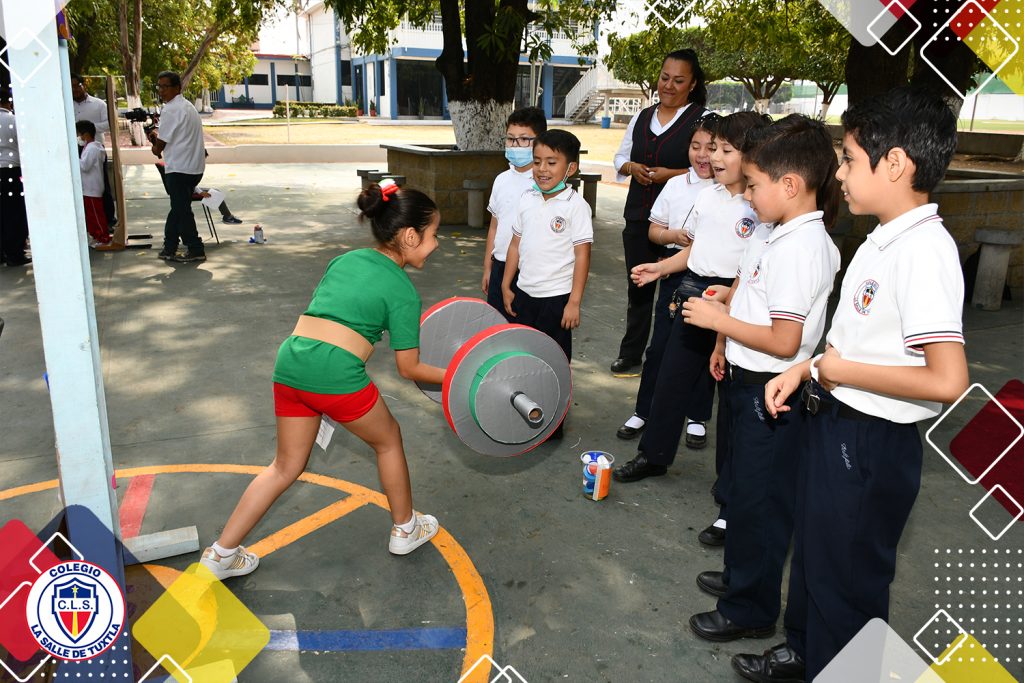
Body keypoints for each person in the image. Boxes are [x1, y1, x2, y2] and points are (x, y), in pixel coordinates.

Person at [733, 87, 969, 682]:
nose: (838, 173)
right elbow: (858, 340)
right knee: (815, 558)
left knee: (848, 582)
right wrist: (808, 369)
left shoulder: (923, 251)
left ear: (896, 165)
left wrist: (836, 371)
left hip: (872, 441)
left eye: (849, 159)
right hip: (835, 421)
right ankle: (803, 652)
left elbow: (948, 379)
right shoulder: (882, 236)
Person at [200, 180, 447, 579]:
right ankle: (405, 528)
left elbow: (328, 315)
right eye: (434, 235)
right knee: (388, 441)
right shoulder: (403, 290)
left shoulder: (344, 260)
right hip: (334, 374)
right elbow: (410, 369)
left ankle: (221, 554)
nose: (436, 245)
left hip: (292, 363)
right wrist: (462, 376)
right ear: (409, 235)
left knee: (283, 466)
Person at [679, 115, 841, 648]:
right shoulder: (778, 231)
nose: (746, 196)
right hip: (751, 379)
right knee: (744, 494)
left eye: (753, 185)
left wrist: (717, 324)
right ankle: (742, 577)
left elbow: (785, 341)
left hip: (775, 389)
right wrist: (726, 322)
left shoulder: (802, 246)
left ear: (790, 185)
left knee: (763, 504)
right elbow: (753, 292)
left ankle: (750, 608)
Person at [614, 112, 771, 485]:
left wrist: (729, 300)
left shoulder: (760, 208)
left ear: (752, 156)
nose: (714, 157)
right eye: (712, 148)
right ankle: (654, 455)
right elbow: (695, 250)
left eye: (725, 150)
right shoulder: (708, 197)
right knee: (671, 378)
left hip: (734, 297)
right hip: (694, 290)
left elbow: (750, 266)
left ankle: (730, 485)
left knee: (730, 390)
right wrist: (661, 268)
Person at [616, 114, 716, 442]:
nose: (703, 155)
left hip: (713, 281)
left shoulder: (730, 189)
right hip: (674, 270)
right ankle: (644, 410)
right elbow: (653, 230)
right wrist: (672, 234)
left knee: (703, 349)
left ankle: (698, 415)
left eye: (712, 148)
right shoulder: (676, 185)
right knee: (660, 348)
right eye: (696, 146)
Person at [610, 49, 708, 376]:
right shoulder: (642, 116)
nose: (668, 85)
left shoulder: (703, 120)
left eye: (678, 80)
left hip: (684, 226)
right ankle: (631, 353)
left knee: (679, 293)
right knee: (638, 287)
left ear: (692, 84)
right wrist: (631, 166)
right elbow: (620, 157)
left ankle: (670, 356)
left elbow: (713, 167)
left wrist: (673, 174)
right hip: (639, 216)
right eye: (665, 77)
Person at [501, 129, 592, 440]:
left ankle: (552, 422)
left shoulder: (575, 206)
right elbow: (515, 244)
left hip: (556, 299)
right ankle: (524, 412)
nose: (542, 169)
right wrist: (506, 283)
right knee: (522, 357)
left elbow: (582, 256)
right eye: (537, 161)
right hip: (525, 294)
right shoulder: (526, 199)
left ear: (570, 169)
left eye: (552, 162)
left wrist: (574, 302)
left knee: (554, 361)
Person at [482, 106, 546, 317]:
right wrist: (487, 268)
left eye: (524, 139)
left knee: (525, 330)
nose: (515, 144)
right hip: (499, 265)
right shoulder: (501, 180)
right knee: (497, 327)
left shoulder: (544, 183)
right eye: (511, 139)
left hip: (529, 270)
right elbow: (494, 226)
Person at [149, 70, 207, 263]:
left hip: (180, 168)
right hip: (193, 168)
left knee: (182, 211)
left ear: (177, 88)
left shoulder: (171, 109)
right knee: (178, 208)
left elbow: (159, 148)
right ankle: (170, 246)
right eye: (159, 86)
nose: (161, 91)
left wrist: (154, 142)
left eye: (166, 86)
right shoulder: (187, 106)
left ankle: (195, 248)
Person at [70, 74, 115, 229]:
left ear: (84, 85)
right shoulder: (66, 104)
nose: (74, 89)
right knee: (78, 185)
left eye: (77, 85)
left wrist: (88, 128)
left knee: (101, 183)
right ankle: (85, 220)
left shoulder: (98, 104)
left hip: (95, 147)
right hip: (75, 147)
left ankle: (108, 219)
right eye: (71, 86)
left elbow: (109, 123)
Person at [0, 88, 30, 267]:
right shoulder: (13, 120)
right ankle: (14, 252)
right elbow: (24, 146)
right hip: (11, 170)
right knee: (15, 212)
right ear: (8, 102)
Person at [76, 120, 111, 246]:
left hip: (92, 187)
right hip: (88, 187)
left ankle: (103, 237)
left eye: (79, 134)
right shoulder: (91, 147)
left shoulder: (93, 149)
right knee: (91, 215)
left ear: (85, 134)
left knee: (96, 215)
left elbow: (85, 166)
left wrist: (74, 158)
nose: (78, 137)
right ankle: (96, 235)